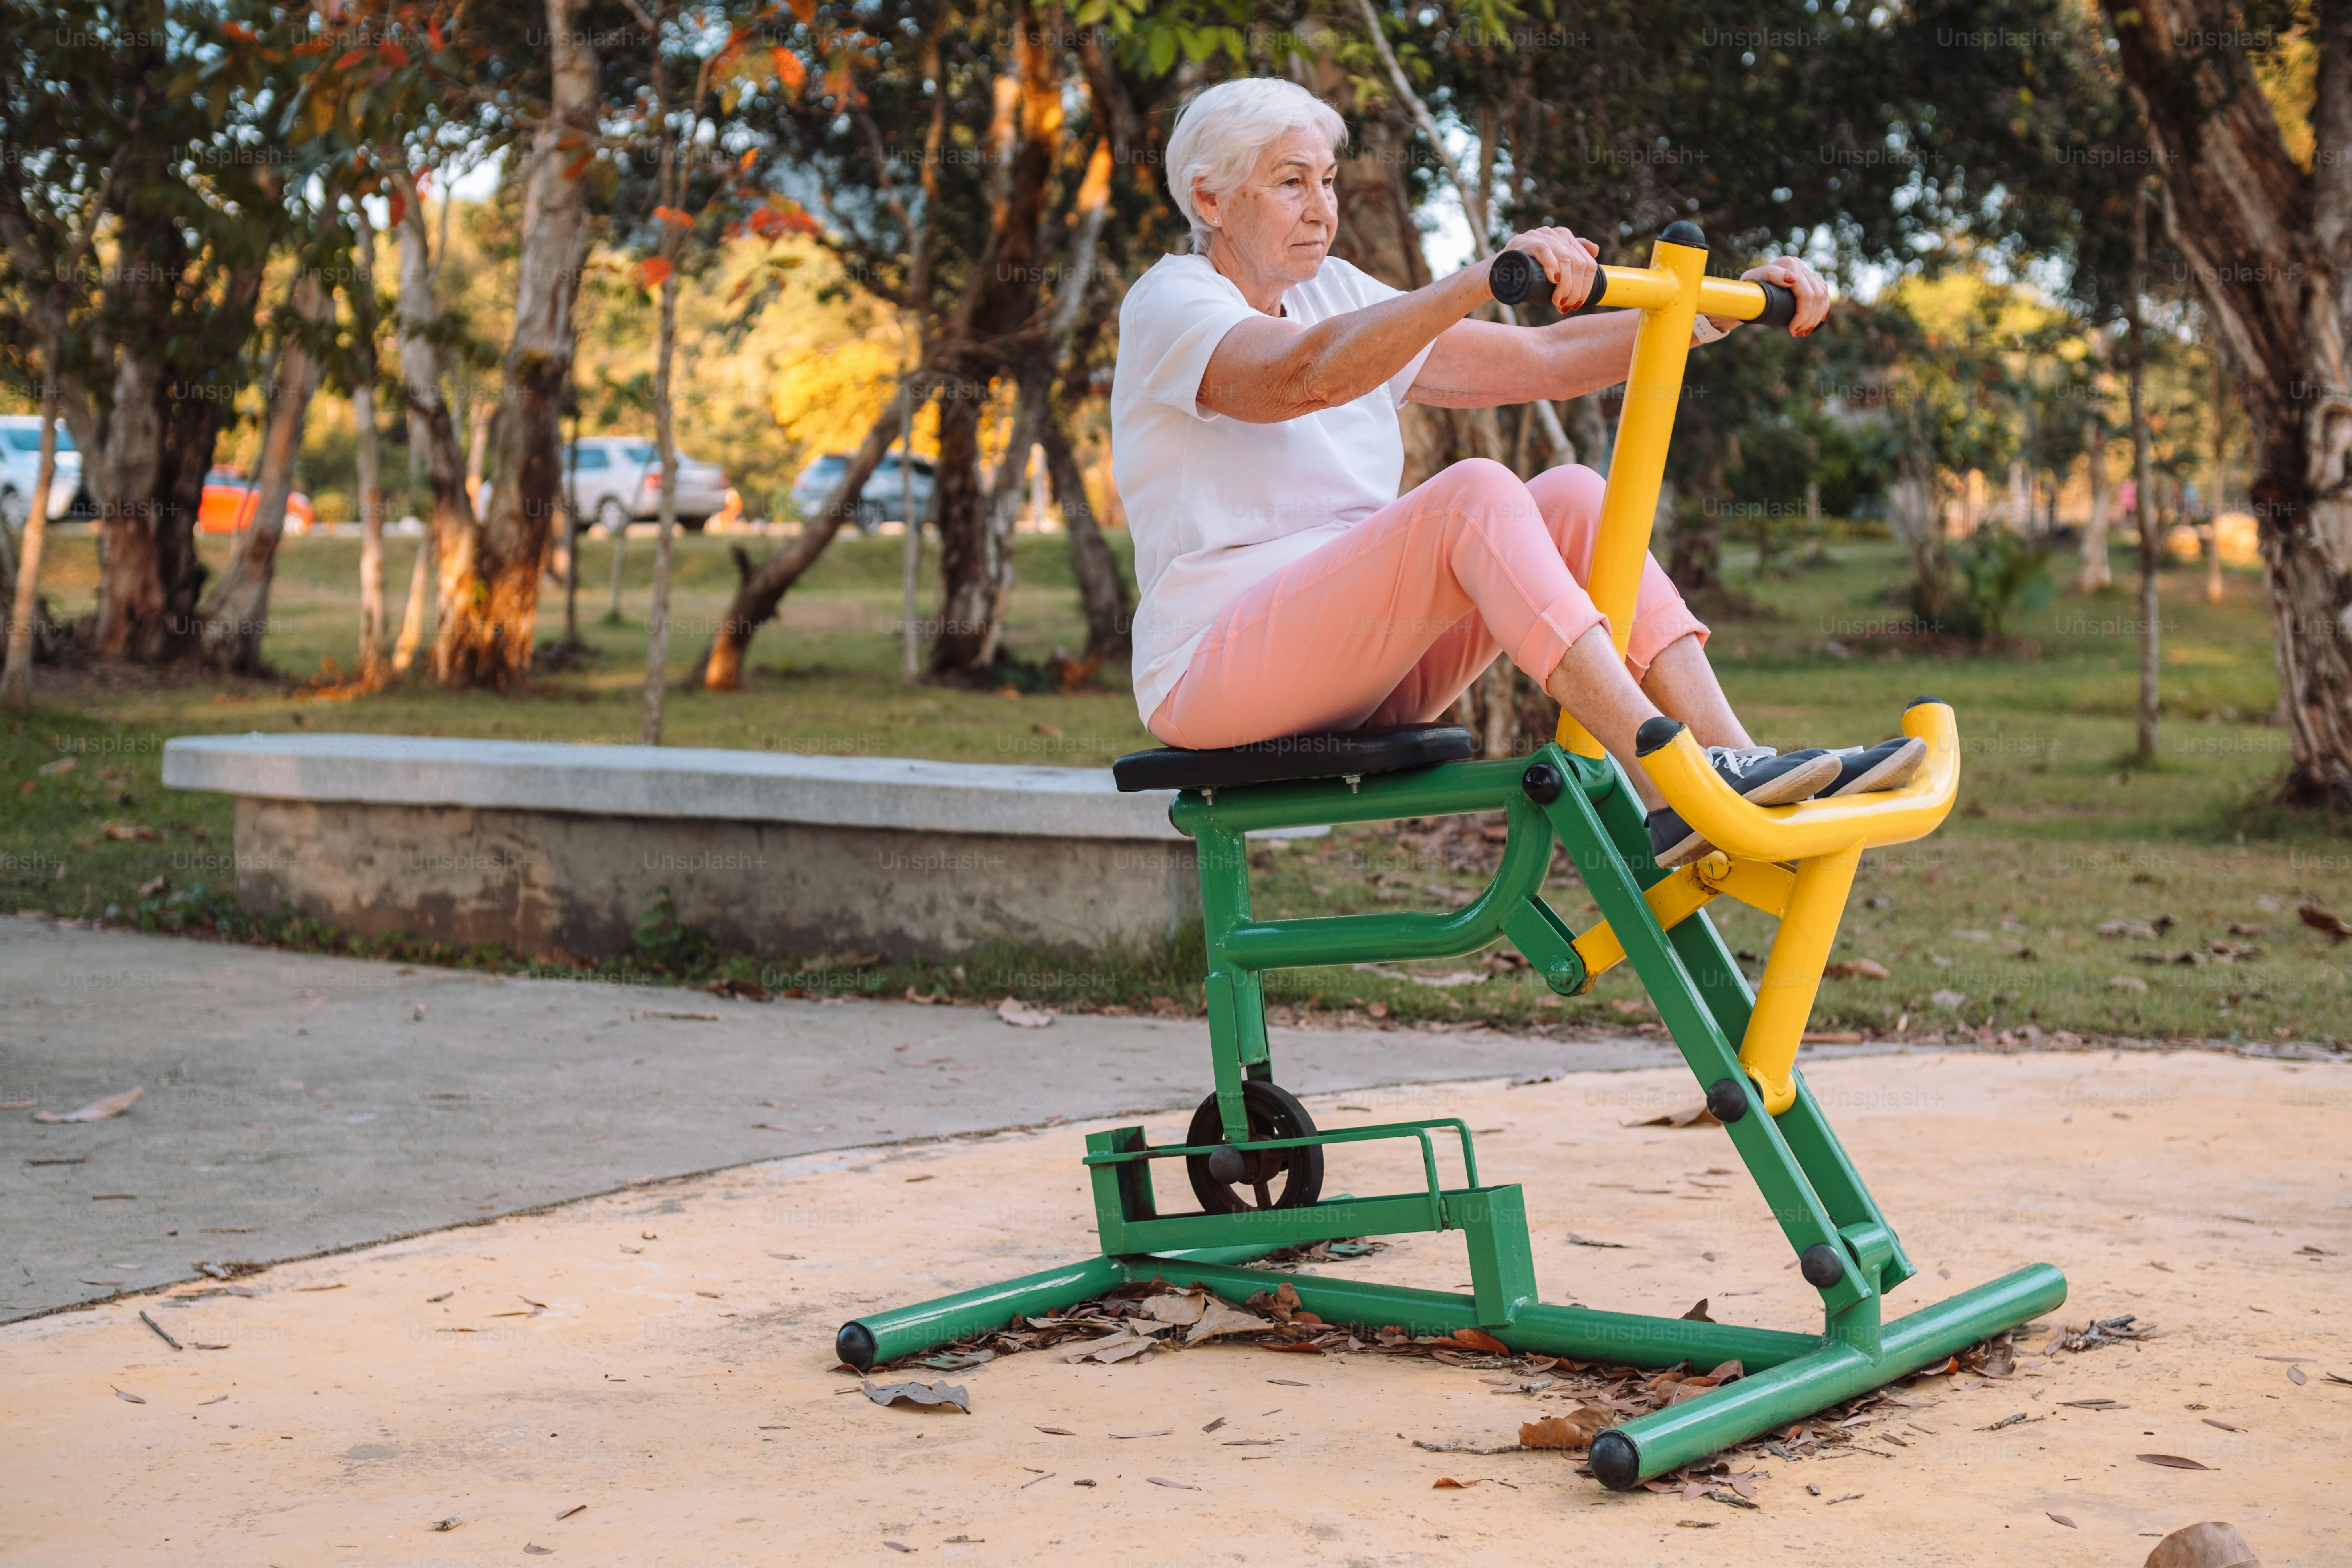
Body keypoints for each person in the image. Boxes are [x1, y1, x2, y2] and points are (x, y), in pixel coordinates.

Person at [1110, 78, 1922, 867]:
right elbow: (1300, 377)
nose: (1321, 207)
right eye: (1290, 184)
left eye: (1326, 180)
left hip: (1357, 667)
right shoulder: (1171, 302)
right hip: (1212, 672)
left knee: (1571, 494)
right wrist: (1476, 278)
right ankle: (1670, 782)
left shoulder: (1334, 292)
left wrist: (1712, 311)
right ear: (1209, 200)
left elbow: (1543, 356)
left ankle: (1733, 762)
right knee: (1475, 495)